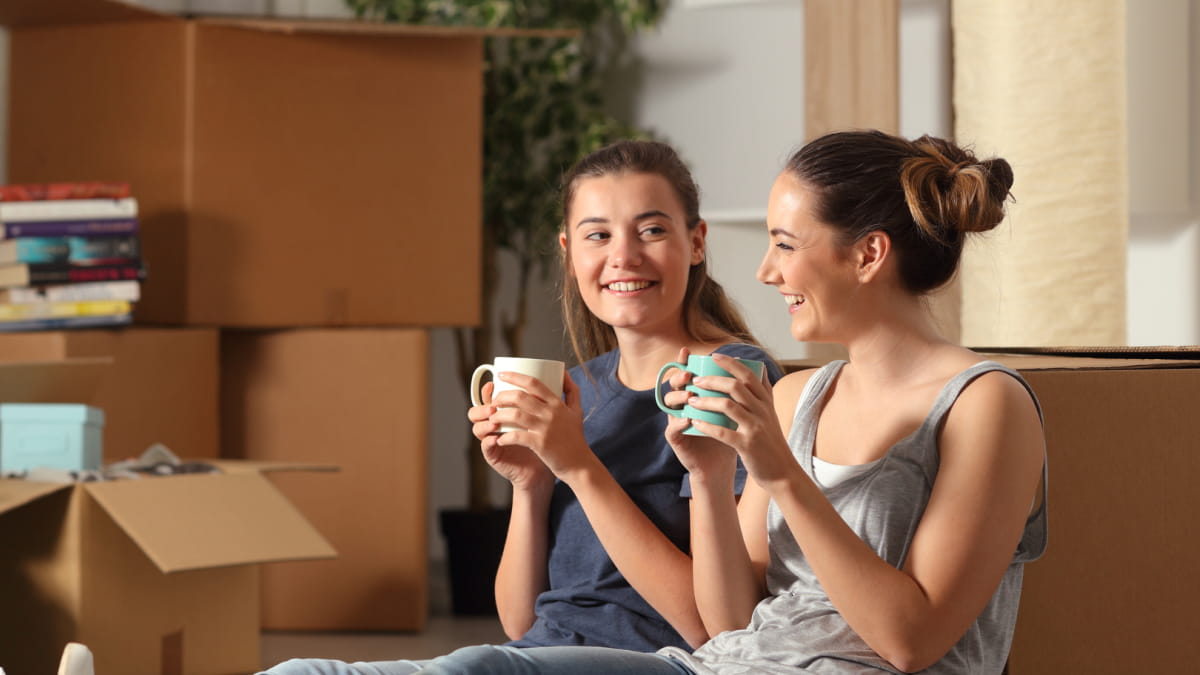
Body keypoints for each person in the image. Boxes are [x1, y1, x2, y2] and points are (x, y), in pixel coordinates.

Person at [390, 129, 1048, 674]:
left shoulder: (986, 404)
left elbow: (910, 641)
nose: (765, 270)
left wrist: (777, 472)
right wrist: (706, 475)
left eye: (785, 245)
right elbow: (730, 623)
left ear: (869, 254)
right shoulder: (797, 396)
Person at [260, 140, 783, 675]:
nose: (623, 256)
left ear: (695, 242)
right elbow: (520, 620)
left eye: (651, 230)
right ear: (568, 252)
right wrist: (529, 485)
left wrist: (577, 465)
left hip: (658, 659)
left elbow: (712, 627)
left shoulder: (729, 377)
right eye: (597, 235)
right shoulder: (579, 387)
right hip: (535, 655)